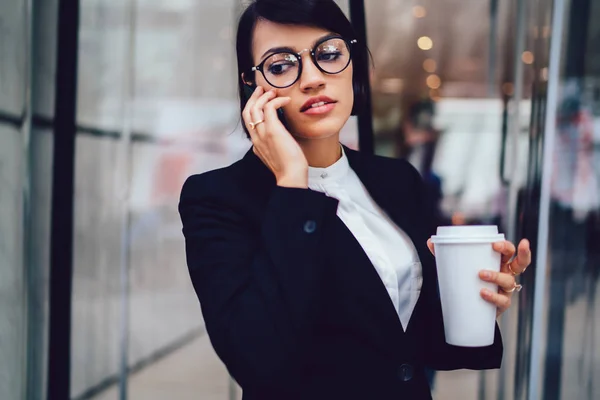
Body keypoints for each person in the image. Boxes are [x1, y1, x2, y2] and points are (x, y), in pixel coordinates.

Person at [178, 1, 531, 399]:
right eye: (280, 66)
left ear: (352, 63)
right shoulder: (218, 198)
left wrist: (479, 300)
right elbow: (257, 360)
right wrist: (292, 183)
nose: (312, 78)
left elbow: (410, 343)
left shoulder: (395, 179)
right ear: (252, 85)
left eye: (328, 54)